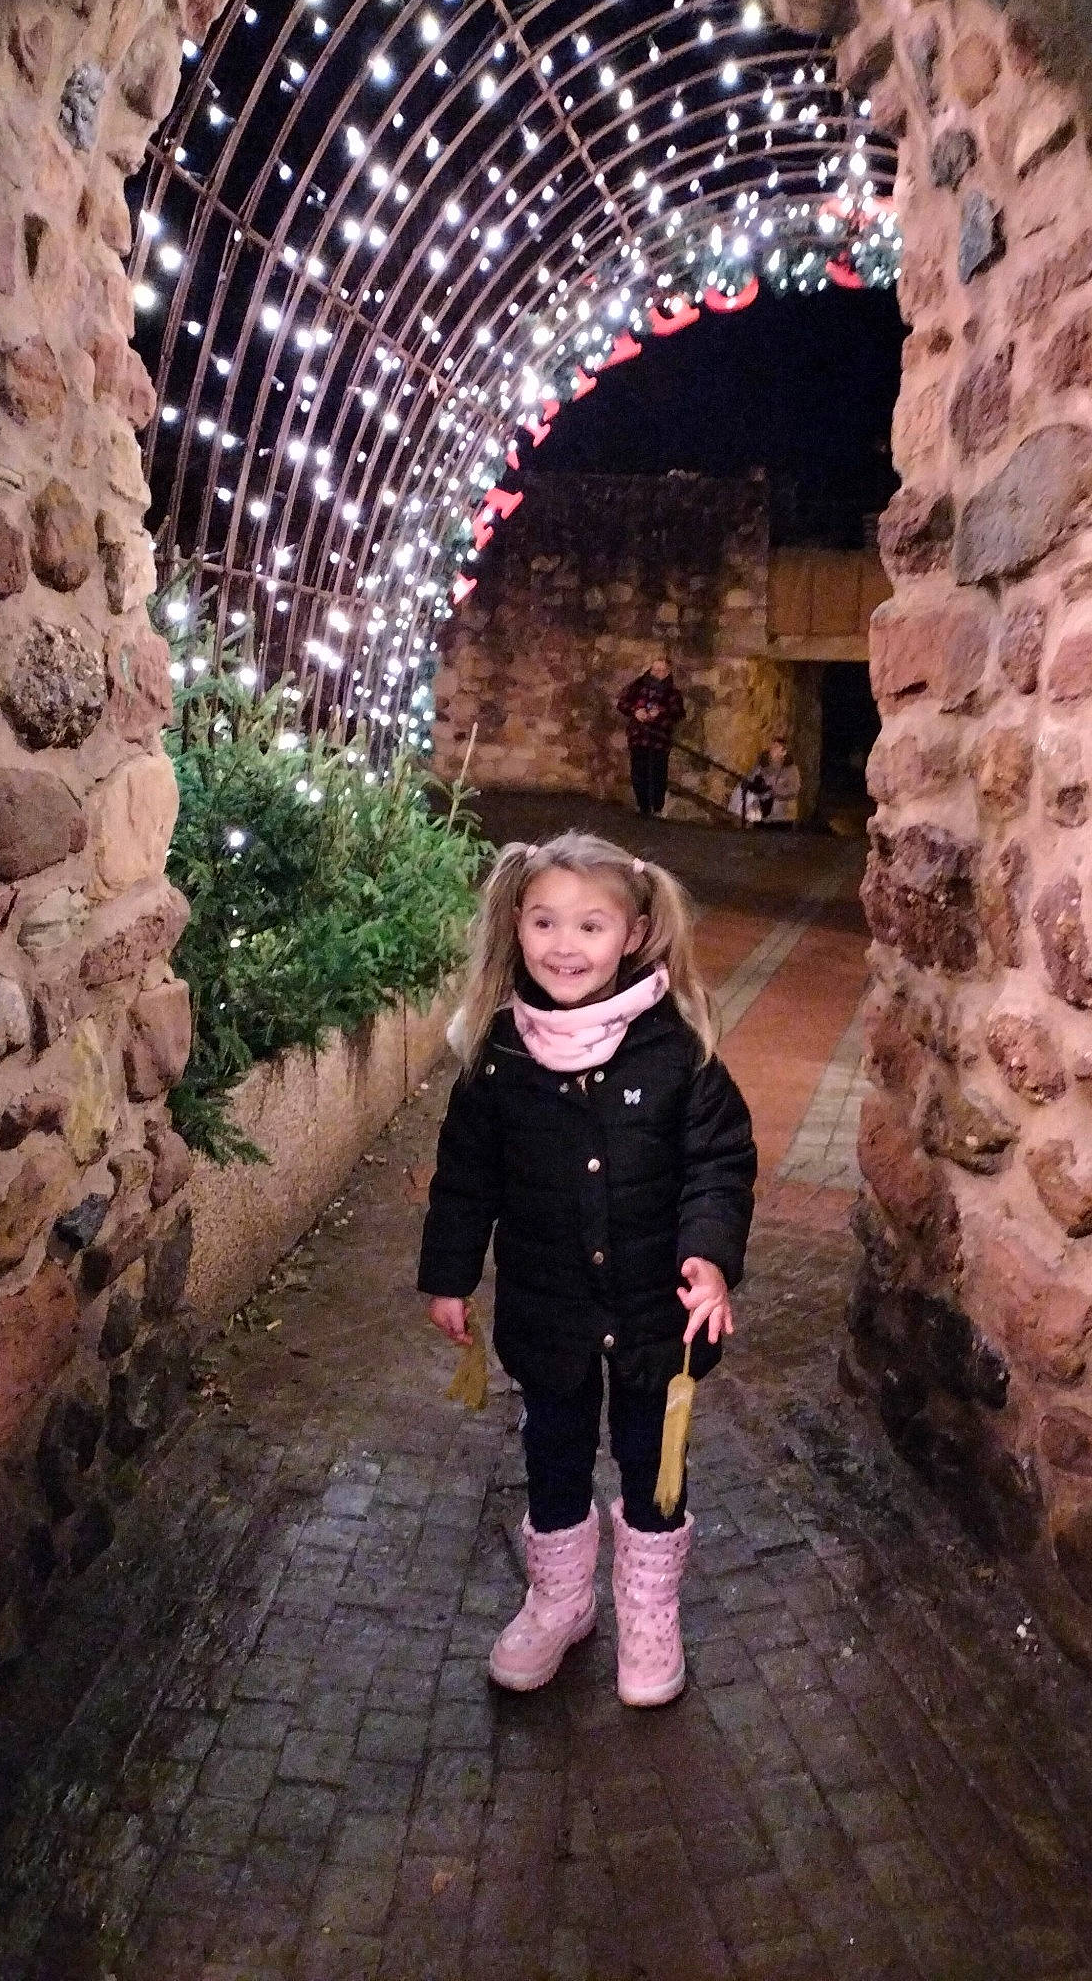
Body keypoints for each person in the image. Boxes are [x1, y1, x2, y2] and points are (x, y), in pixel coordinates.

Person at [419, 832, 756, 1706]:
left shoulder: (678, 1049)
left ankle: (649, 1610)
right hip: (549, 1300)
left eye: (591, 926)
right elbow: (467, 1175)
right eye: (545, 922)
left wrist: (709, 1258)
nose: (564, 946)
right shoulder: (498, 1053)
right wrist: (450, 1275)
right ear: (516, 926)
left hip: (655, 1308)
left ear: (635, 933)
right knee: (554, 1450)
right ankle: (560, 1599)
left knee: (653, 1460)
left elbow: (719, 1162)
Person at [616, 653, 685, 817]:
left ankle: (657, 808)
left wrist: (660, 713)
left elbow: (678, 712)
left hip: (659, 739)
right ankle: (643, 806)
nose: (658, 673)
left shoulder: (673, 693)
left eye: (662, 670)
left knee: (658, 773)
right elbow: (623, 703)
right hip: (639, 736)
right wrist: (636, 711)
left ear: (668, 672)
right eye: (656, 669)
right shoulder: (637, 686)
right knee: (638, 772)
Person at [745, 736, 800, 827]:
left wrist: (773, 791)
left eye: (776, 747)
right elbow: (750, 780)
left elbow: (794, 790)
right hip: (762, 814)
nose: (772, 749)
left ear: (783, 752)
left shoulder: (791, 770)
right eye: (772, 746)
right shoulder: (762, 766)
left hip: (783, 816)